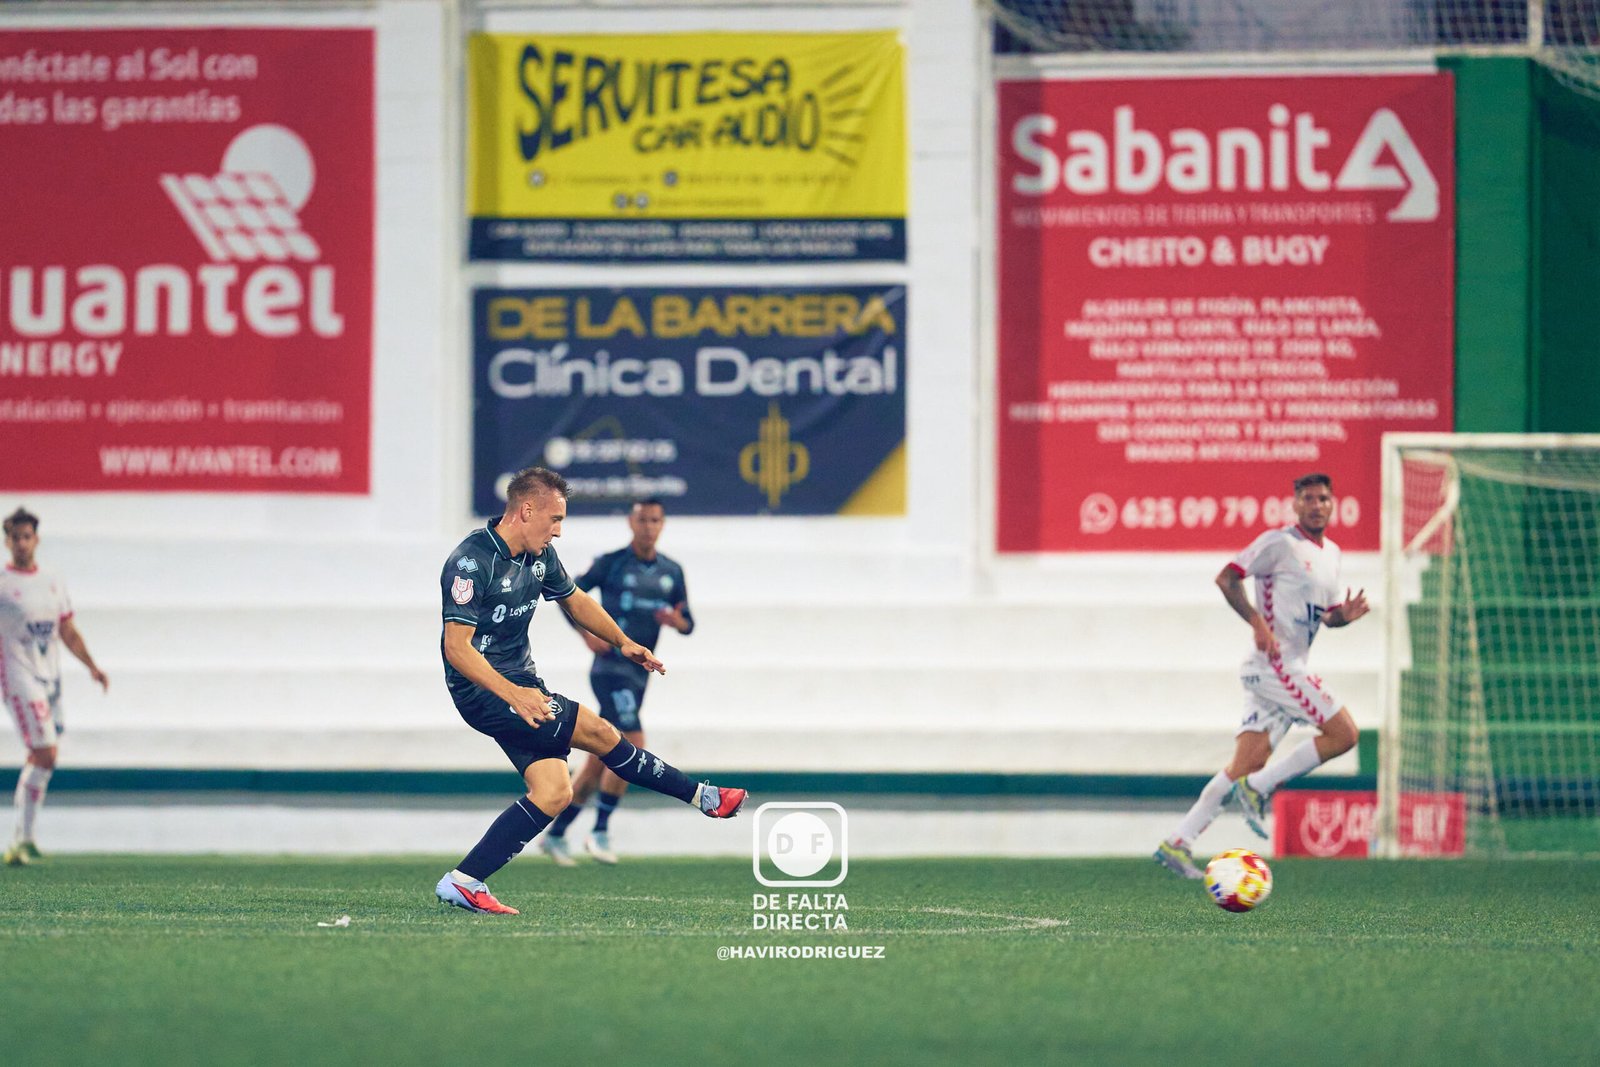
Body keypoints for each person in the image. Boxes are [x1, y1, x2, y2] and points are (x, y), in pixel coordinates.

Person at [433, 467, 746, 915]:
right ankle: (703, 796)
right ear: (526, 510)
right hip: (484, 690)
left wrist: (624, 642)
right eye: (554, 519)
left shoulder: (538, 558)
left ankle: (464, 881)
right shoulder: (470, 562)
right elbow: (457, 650)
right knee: (602, 732)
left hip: (521, 686)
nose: (559, 530)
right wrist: (514, 696)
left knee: (553, 792)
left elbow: (576, 600)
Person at [1154, 473, 1369, 878]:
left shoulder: (1332, 554)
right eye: (1308, 498)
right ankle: (1258, 789)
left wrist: (1343, 617)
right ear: (1295, 504)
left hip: (1282, 669)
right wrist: (1256, 621)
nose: (1316, 505)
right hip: (1276, 666)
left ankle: (1177, 841)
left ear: (1332, 504)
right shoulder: (1279, 544)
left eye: (1323, 498)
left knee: (1243, 764)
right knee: (1345, 734)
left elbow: (1324, 615)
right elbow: (1227, 577)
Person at [539, 498, 692, 866]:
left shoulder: (672, 570)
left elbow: (689, 621)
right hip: (610, 668)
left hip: (642, 672)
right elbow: (566, 594)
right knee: (633, 743)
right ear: (631, 522)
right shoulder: (611, 563)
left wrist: (677, 622)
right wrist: (586, 635)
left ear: (663, 523)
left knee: (599, 759)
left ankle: (557, 834)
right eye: (643, 519)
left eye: (655, 520)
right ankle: (600, 830)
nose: (649, 526)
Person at [2, 508, 109, 867]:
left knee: (43, 759)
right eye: (15, 537)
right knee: (45, 753)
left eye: (26, 536)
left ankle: (24, 839)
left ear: (36, 539)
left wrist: (92, 666)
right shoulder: (1, 583)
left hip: (50, 679)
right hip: (17, 677)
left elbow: (67, 630)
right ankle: (20, 839)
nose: (21, 543)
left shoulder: (52, 581)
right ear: (7, 541)